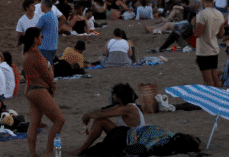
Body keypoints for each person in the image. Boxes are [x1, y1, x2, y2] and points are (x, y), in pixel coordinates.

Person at [21, 27, 64, 157]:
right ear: (35, 39)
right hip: (39, 90)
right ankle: (49, 151)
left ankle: (32, 153)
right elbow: (47, 76)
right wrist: (53, 86)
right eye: (41, 36)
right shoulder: (36, 54)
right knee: (59, 120)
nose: (42, 38)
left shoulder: (26, 54)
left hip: (30, 90)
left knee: (34, 123)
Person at [72, 83, 144, 155]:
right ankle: (83, 148)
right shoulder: (122, 106)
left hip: (133, 140)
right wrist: (88, 114)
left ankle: (82, 148)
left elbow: (101, 115)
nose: (112, 96)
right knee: (99, 120)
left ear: (119, 97)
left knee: (101, 121)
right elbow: (102, 111)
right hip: (126, 136)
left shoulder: (129, 108)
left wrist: (88, 116)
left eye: (114, 95)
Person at [193, 0, 225, 87]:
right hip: (214, 48)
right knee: (214, 76)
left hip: (204, 51)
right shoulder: (220, 14)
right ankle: (220, 97)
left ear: (203, 0)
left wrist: (193, 24)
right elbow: (220, 34)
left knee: (208, 79)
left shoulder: (202, 14)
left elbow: (197, 34)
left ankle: (213, 100)